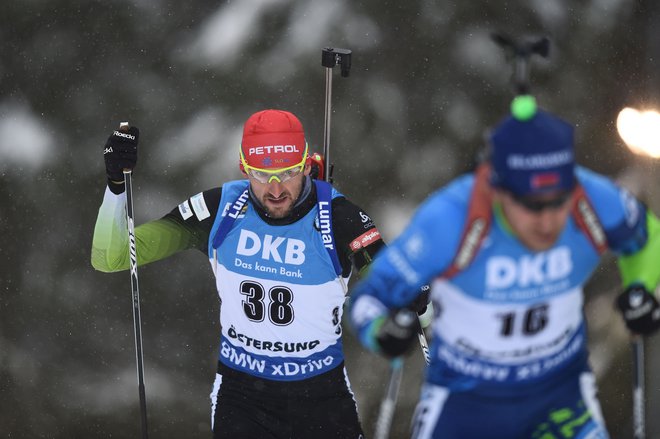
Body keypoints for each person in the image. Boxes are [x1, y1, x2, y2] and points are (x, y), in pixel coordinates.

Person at [348, 106, 660, 438]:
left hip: (558, 397)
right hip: (467, 400)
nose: (548, 220)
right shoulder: (451, 218)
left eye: (559, 200)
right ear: (499, 190)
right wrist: (383, 331)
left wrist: (640, 288)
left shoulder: (592, 199)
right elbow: (368, 299)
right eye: (532, 205)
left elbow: (648, 237)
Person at [91, 109, 387, 438]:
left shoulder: (338, 216)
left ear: (306, 164)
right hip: (243, 397)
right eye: (261, 175)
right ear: (244, 168)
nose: (275, 189)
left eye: (288, 173)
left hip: (321, 396)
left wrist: (413, 299)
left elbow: (393, 284)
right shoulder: (220, 209)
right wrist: (117, 185)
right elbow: (112, 257)